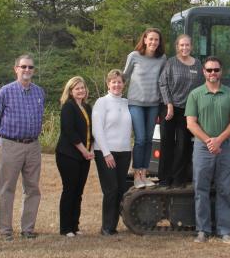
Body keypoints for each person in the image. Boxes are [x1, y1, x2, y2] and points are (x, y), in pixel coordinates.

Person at [0, 54, 45, 241]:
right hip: (11, 145)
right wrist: (5, 136)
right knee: (7, 188)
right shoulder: (5, 92)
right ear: (16, 69)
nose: (27, 70)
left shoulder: (39, 92)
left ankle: (28, 229)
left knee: (32, 188)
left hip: (33, 146)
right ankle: (5, 230)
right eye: (23, 67)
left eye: (30, 67)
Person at [186, 56, 230, 244]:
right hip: (202, 147)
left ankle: (224, 231)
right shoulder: (195, 94)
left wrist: (219, 140)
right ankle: (203, 230)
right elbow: (191, 123)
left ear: (221, 71)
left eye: (216, 70)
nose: (212, 73)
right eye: (209, 70)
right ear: (204, 72)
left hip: (224, 146)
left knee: (224, 189)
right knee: (201, 189)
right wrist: (209, 141)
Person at [157, 34, 203, 188]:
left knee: (183, 145)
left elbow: (201, 88)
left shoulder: (197, 65)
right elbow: (162, 83)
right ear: (177, 46)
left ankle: (178, 179)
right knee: (167, 144)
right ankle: (164, 179)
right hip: (169, 108)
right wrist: (169, 104)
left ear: (191, 46)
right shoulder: (171, 63)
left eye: (187, 45)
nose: (184, 48)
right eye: (181, 45)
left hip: (188, 110)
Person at [124, 28, 167, 188]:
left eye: (156, 40)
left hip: (153, 104)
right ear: (144, 40)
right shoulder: (134, 56)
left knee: (149, 140)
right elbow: (124, 76)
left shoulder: (162, 58)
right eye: (151, 39)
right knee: (140, 139)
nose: (153, 42)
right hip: (136, 103)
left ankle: (144, 174)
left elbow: (163, 81)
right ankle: (136, 174)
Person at [92, 69, 133, 235]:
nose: (117, 84)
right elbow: (97, 129)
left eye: (119, 82)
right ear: (108, 84)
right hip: (106, 152)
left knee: (120, 189)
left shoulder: (126, 103)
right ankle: (106, 227)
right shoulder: (102, 102)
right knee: (111, 189)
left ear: (124, 84)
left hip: (124, 152)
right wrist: (106, 153)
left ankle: (113, 226)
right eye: (113, 82)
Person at [56, 76, 94, 237]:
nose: (81, 90)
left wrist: (90, 149)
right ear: (70, 91)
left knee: (79, 191)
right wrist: (84, 151)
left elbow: (92, 131)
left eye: (82, 88)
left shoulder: (87, 107)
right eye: (77, 88)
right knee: (70, 190)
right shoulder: (68, 107)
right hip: (68, 155)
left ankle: (75, 226)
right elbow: (69, 132)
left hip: (84, 156)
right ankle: (65, 228)